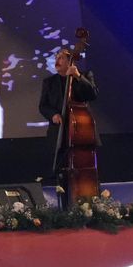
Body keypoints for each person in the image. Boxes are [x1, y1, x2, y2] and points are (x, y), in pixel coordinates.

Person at [39, 47, 98, 195]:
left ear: (70, 61)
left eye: (61, 58)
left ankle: (85, 198)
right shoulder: (49, 82)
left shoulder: (84, 75)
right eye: (56, 58)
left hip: (80, 134)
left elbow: (92, 94)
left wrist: (78, 76)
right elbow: (43, 106)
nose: (57, 61)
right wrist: (53, 115)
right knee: (59, 172)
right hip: (58, 133)